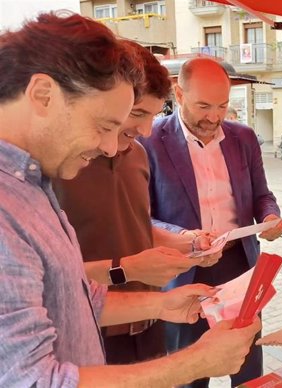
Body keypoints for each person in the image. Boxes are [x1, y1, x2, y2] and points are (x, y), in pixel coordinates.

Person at [0, 12, 260, 387]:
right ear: (43, 94)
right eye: (105, 126)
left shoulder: (32, 178)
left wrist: (159, 304)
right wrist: (195, 363)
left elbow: (73, 293)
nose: (111, 145)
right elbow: (34, 381)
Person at [52, 40, 222, 365]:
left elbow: (137, 226)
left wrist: (189, 243)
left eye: (155, 115)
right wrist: (124, 270)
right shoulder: (57, 164)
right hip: (85, 332)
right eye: (137, 113)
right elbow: (41, 280)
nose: (146, 130)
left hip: (149, 323)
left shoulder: (139, 155)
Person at [141, 57, 282, 387]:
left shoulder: (244, 138)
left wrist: (269, 216)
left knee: (247, 361)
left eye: (222, 105)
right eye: (204, 106)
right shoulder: (149, 141)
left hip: (240, 266)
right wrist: (184, 237)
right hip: (183, 270)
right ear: (178, 94)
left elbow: (261, 194)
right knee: (189, 370)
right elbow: (141, 218)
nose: (214, 117)